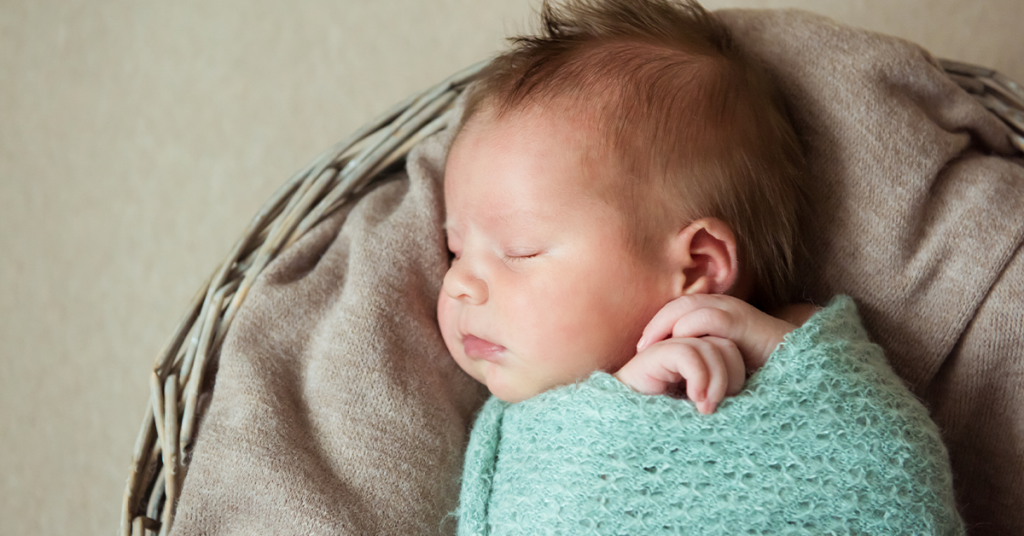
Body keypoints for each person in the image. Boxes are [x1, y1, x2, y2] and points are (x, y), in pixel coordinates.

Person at [436, 0, 809, 413]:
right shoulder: (511, 409)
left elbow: (883, 455)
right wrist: (620, 406)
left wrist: (797, 361)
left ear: (697, 266)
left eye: (520, 250)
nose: (457, 283)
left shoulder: (801, 348)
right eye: (454, 251)